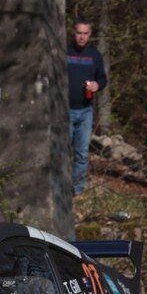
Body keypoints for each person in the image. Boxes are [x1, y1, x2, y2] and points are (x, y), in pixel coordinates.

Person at [66, 21, 108, 196]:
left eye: (85, 33)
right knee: (63, 151)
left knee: (82, 153)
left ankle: (77, 190)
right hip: (65, 110)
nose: (82, 37)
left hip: (85, 110)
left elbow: (103, 79)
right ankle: (60, 188)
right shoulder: (64, 52)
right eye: (79, 33)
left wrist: (97, 85)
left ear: (90, 34)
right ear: (73, 33)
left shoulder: (95, 55)